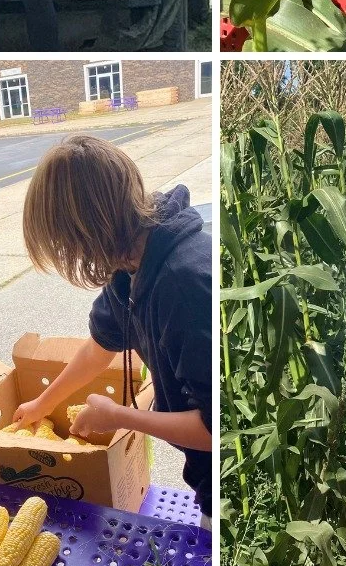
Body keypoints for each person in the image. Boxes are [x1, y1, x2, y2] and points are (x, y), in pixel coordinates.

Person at [11, 136, 212, 526]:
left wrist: (121, 416)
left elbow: (213, 428)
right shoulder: (130, 261)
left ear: (87, 232)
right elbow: (99, 348)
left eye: (67, 245)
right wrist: (43, 403)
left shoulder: (184, 285)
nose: (73, 257)